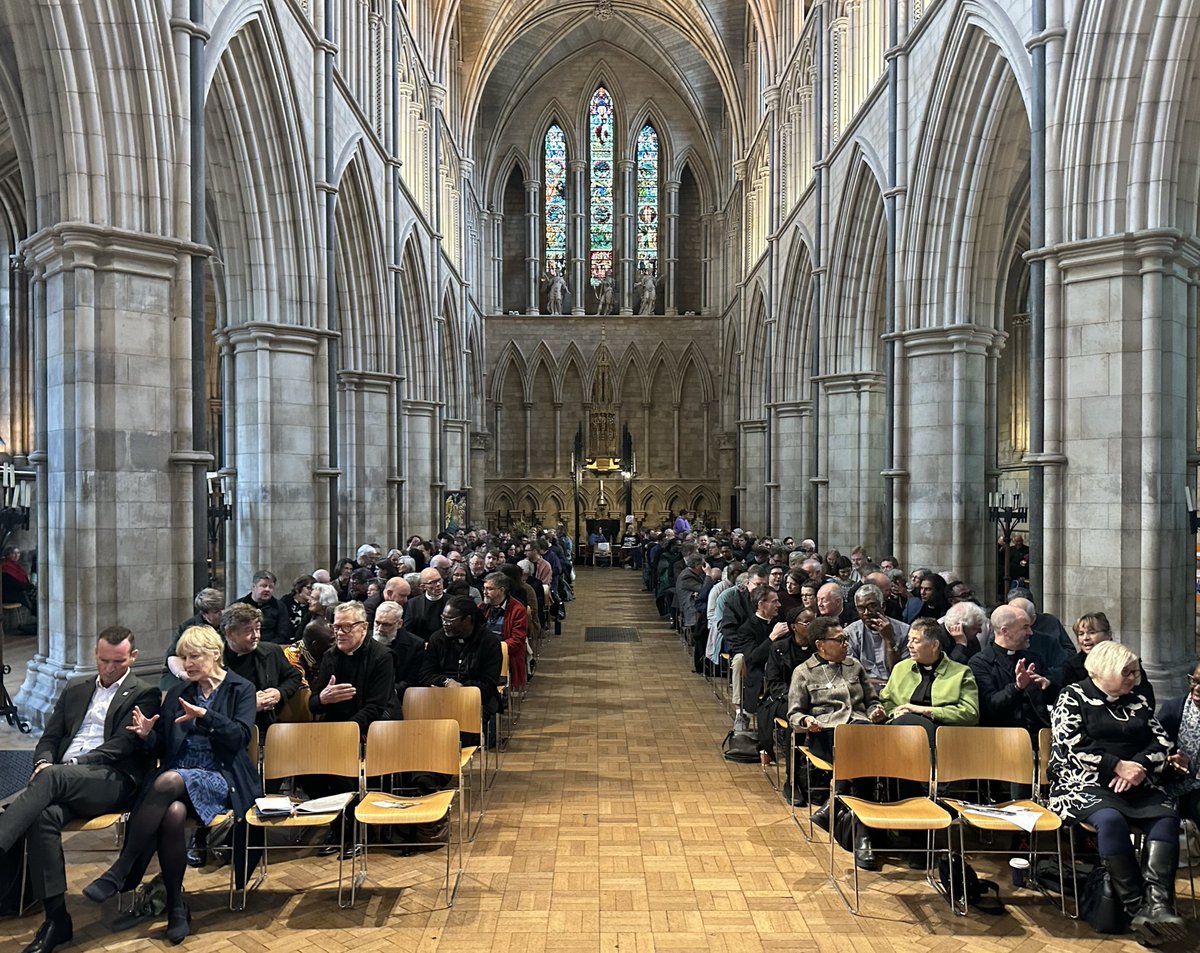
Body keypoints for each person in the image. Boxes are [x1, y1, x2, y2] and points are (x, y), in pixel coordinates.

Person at [83, 625, 259, 945]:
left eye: (195, 656)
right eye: (183, 657)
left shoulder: (240, 689)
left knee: (168, 779)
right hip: (178, 781)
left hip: (222, 777)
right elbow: (162, 748)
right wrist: (148, 736)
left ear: (215, 655)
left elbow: (241, 738)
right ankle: (177, 906)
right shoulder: (179, 693)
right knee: (173, 813)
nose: (187, 664)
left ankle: (123, 868)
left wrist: (206, 715)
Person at [0, 627, 158, 953]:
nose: (109, 668)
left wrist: (67, 767)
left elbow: (120, 747)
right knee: (43, 817)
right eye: (103, 660)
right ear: (95, 655)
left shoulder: (144, 692)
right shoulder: (75, 687)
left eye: (117, 661)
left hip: (111, 780)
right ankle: (57, 920)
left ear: (133, 657)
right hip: (64, 780)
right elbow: (50, 737)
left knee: (52, 779)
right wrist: (44, 761)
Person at [1048, 642, 1186, 943]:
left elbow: (1161, 743)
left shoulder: (1137, 701)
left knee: (1166, 817)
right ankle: (1138, 909)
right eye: (1126, 672)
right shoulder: (1072, 697)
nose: (1133, 679)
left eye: (1134, 672)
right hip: (1082, 782)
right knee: (1111, 820)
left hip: (1136, 783)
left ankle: (1159, 905)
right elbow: (1071, 746)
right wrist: (1117, 766)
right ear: (1104, 671)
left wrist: (1136, 766)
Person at [787, 616, 888, 869]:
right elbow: (794, 714)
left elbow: (873, 700)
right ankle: (863, 837)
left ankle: (837, 806)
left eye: (846, 639)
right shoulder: (803, 672)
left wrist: (876, 710)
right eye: (840, 640)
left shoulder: (854, 666)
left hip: (861, 731)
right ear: (821, 645)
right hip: (826, 733)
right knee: (857, 752)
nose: (847, 645)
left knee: (859, 747)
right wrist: (808, 720)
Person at [879, 618, 979, 744]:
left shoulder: (961, 673)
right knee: (905, 721)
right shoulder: (901, 668)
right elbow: (886, 700)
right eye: (909, 640)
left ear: (934, 645)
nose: (909, 645)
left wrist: (925, 711)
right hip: (901, 729)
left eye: (915, 641)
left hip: (943, 735)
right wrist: (895, 712)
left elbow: (970, 713)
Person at [419, 595, 504, 743]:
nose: (445, 624)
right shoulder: (437, 639)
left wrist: (462, 689)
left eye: (450, 620)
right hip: (440, 696)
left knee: (463, 738)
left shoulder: (489, 642)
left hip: (476, 698)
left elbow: (488, 683)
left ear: (467, 619)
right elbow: (426, 674)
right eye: (443, 618)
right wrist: (446, 682)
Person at [1060, 611, 1154, 706]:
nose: (1085, 638)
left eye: (1092, 632)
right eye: (1081, 634)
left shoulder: (1128, 661)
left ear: (1108, 635)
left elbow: (1146, 697)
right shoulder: (1071, 666)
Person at [1157, 659, 1200, 825]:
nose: (1197, 689)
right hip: (1179, 788)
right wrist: (1170, 761)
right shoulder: (1173, 710)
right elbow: (1153, 752)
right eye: (1194, 681)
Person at [161, 587, 225, 691]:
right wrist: (183, 674)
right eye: (217, 611)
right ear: (204, 614)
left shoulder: (227, 623)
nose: (222, 613)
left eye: (223, 608)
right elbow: (173, 656)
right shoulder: (188, 627)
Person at [481, 572, 529, 691]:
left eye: (489, 589)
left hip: (505, 654)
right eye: (484, 588)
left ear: (501, 590)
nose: (485, 592)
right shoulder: (482, 607)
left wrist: (494, 649)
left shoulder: (517, 610)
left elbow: (517, 640)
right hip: (483, 652)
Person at [234, 570, 292, 644]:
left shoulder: (279, 606)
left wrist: (266, 648)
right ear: (253, 587)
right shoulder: (238, 606)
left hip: (271, 649)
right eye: (263, 586)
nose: (267, 589)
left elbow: (284, 634)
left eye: (270, 587)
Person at [1, 544, 35, 613]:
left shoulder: (17, 566)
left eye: (18, 553)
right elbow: (14, 584)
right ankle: (36, 611)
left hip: (17, 591)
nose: (16, 555)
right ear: (8, 555)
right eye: (13, 553)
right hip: (8, 594)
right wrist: (30, 585)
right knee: (25, 595)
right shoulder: (5, 567)